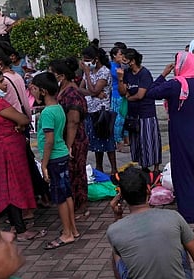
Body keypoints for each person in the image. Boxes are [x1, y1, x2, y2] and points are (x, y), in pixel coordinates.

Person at [107, 167, 194, 279]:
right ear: (148, 190)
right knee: (181, 242)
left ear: (121, 197)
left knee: (116, 255)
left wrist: (117, 217)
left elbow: (121, 241)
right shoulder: (173, 217)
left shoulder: (114, 230)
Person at [145, 51, 194, 224]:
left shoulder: (173, 85)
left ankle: (190, 211)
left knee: (185, 171)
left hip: (181, 135)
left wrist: (163, 74)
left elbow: (150, 92)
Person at [0, 68, 40, 240]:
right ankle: (21, 230)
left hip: (0, 148)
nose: (4, 84)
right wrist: (19, 123)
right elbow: (23, 119)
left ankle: (16, 225)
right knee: (14, 187)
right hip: (8, 149)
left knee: (8, 186)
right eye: (0, 81)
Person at [30, 72, 78, 250]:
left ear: (42, 91)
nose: (32, 93)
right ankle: (72, 229)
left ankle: (66, 234)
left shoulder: (48, 112)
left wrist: (43, 163)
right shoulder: (57, 108)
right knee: (66, 194)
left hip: (55, 158)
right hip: (62, 154)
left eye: (34, 89)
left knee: (59, 198)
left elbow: (48, 140)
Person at [51, 58, 91, 219]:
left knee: (77, 173)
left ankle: (80, 206)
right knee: (70, 172)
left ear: (61, 75)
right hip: (67, 138)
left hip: (75, 139)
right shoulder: (62, 90)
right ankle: (73, 204)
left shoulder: (72, 93)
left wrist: (68, 145)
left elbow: (73, 121)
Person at [117, 48, 161, 175]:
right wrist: (120, 79)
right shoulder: (126, 73)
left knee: (150, 140)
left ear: (132, 61)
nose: (123, 63)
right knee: (137, 142)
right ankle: (143, 166)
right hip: (133, 114)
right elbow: (122, 92)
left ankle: (156, 167)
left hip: (146, 113)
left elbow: (140, 95)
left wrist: (129, 97)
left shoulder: (144, 74)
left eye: (125, 60)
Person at [80, 46, 116, 174]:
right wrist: (94, 93)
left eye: (88, 60)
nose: (86, 63)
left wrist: (92, 89)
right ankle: (99, 168)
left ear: (96, 59)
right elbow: (81, 89)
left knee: (107, 140)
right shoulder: (88, 71)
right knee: (96, 143)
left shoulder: (104, 72)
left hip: (102, 111)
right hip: (90, 110)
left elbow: (94, 89)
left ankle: (114, 170)